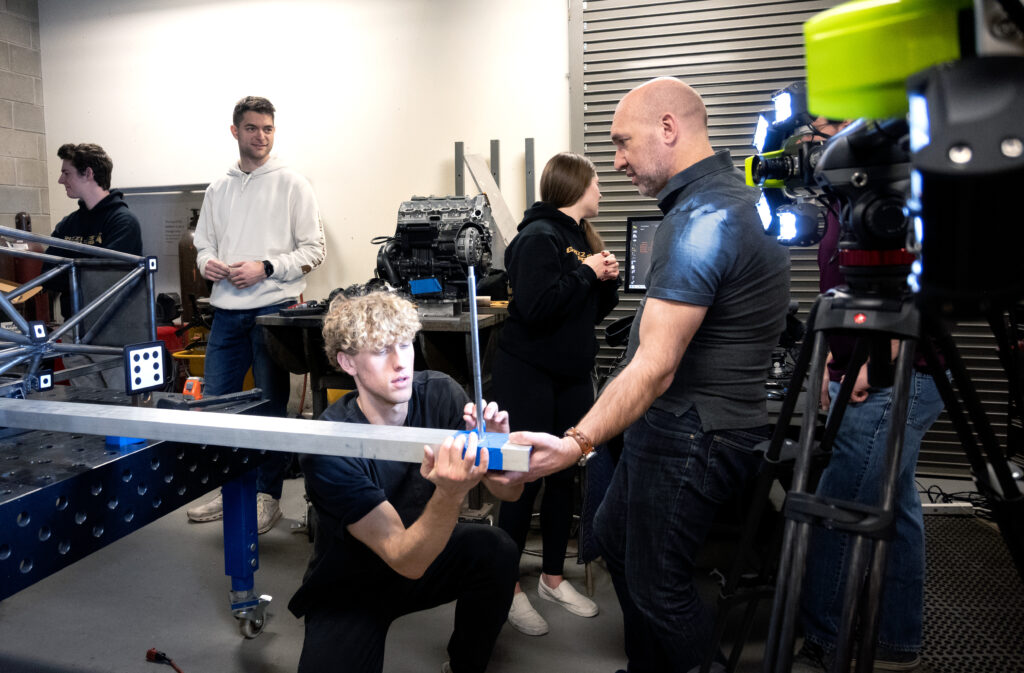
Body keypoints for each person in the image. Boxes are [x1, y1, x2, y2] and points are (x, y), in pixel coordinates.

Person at [493, 77, 791, 673]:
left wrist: (576, 442)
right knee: (613, 538)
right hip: (679, 422)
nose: (617, 161)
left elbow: (656, 365)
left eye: (622, 142)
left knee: (659, 585)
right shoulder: (729, 202)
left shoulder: (703, 217)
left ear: (668, 128)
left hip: (693, 430)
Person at [288, 290, 521, 673]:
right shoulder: (328, 444)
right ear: (347, 362)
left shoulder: (441, 394)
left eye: (404, 344)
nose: (400, 363)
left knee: (496, 549)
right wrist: (450, 492)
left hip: (425, 546)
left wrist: (498, 453)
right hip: (352, 580)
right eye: (381, 350)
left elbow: (508, 492)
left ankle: (465, 665)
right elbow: (403, 557)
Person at [793, 120, 946, 673]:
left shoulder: (899, 191)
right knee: (895, 506)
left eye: (831, 126)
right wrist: (829, 364)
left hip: (897, 374)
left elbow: (927, 287)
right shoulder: (842, 198)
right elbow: (844, 290)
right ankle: (897, 641)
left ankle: (824, 640)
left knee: (841, 507)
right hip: (860, 370)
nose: (821, 140)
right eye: (814, 130)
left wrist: (876, 360)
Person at [491, 151, 619, 636]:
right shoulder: (537, 237)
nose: (601, 190)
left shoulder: (580, 237)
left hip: (570, 376)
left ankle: (551, 578)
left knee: (565, 476)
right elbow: (537, 306)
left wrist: (604, 281)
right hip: (529, 375)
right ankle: (506, 586)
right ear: (575, 186)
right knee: (523, 478)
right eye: (596, 182)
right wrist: (587, 273)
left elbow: (585, 312)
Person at [186, 96, 326, 534]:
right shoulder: (218, 188)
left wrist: (265, 267)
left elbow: (314, 251)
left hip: (273, 310)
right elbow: (203, 244)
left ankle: (267, 497)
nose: (261, 136)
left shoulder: (293, 184)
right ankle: (231, 490)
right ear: (235, 131)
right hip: (226, 312)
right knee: (218, 405)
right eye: (252, 128)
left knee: (269, 407)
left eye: (267, 129)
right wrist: (206, 263)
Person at [44, 142, 143, 387]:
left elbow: (103, 280)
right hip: (74, 328)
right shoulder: (69, 224)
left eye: (66, 173)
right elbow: (48, 273)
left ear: (88, 173)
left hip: (113, 330)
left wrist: (71, 269)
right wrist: (81, 270)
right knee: (87, 402)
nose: (60, 180)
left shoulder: (122, 222)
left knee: (124, 402)